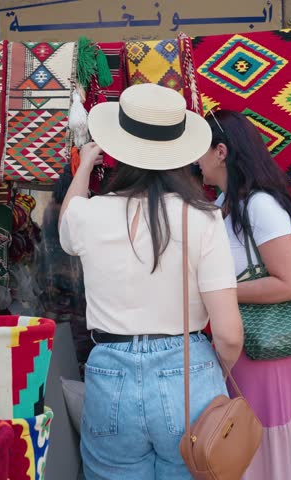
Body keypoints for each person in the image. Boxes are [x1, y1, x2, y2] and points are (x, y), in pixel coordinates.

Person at [59, 84, 244, 479]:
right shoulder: (203, 218)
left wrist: (85, 166)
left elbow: (67, 223)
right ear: (179, 150)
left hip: (110, 374)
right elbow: (229, 335)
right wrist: (208, 374)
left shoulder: (90, 215)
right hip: (188, 370)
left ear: (118, 148)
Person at [196, 109, 291, 480]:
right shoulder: (221, 206)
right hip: (238, 344)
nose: (197, 159)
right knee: (235, 443)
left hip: (267, 348)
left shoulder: (260, 206)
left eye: (201, 149)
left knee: (260, 445)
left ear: (221, 152)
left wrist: (222, 294)